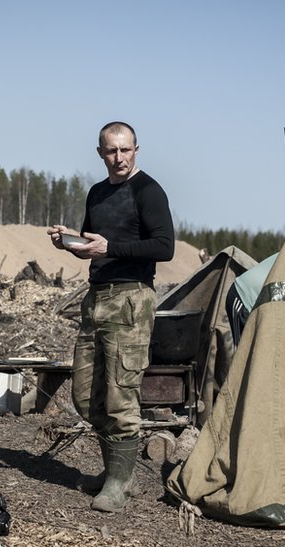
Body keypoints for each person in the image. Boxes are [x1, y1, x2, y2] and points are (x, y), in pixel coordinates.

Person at [46, 121, 174, 512]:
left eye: (125, 150)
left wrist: (111, 247)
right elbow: (93, 245)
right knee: (86, 396)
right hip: (96, 297)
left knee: (121, 395)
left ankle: (119, 482)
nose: (118, 158)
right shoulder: (97, 193)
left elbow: (164, 246)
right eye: (110, 151)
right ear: (100, 153)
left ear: (136, 150)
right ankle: (116, 472)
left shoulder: (148, 191)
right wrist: (71, 243)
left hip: (131, 299)